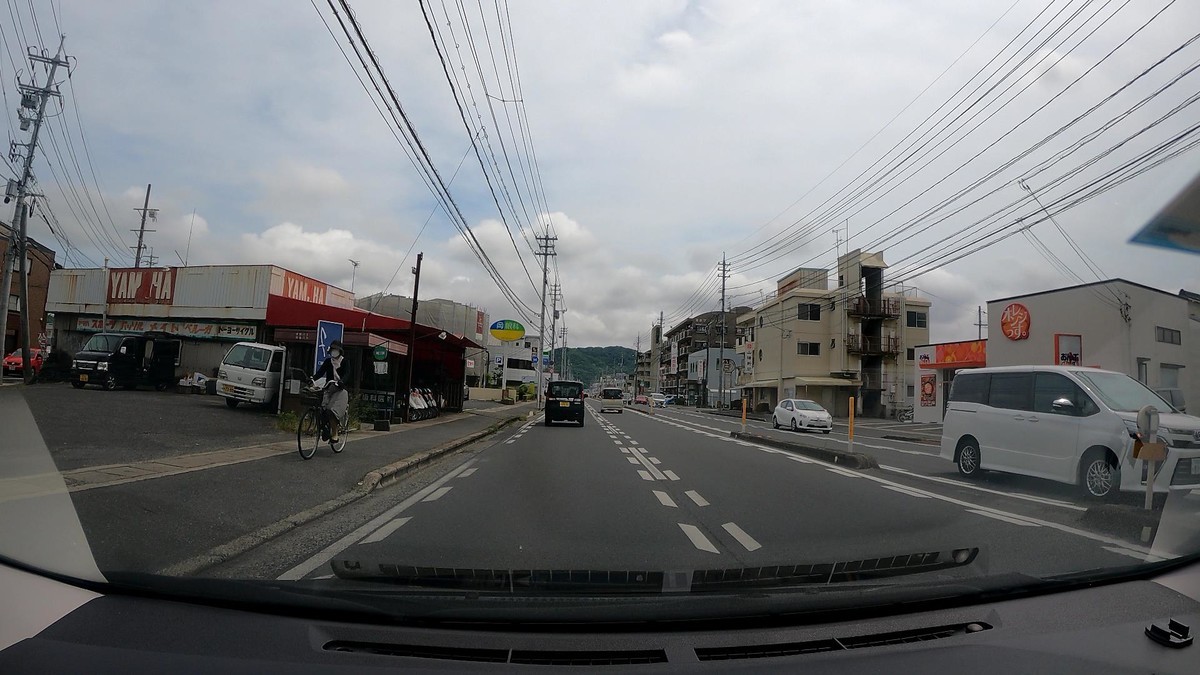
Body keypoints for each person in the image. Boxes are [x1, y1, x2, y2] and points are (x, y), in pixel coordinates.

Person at [313, 340, 349, 443]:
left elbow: (347, 374)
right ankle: (325, 429)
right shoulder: (328, 362)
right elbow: (320, 373)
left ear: (340, 351)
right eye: (333, 349)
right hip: (329, 388)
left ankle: (335, 434)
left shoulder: (345, 362)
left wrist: (342, 381)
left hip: (340, 390)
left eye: (336, 350)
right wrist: (312, 378)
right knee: (322, 409)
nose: (334, 352)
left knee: (332, 411)